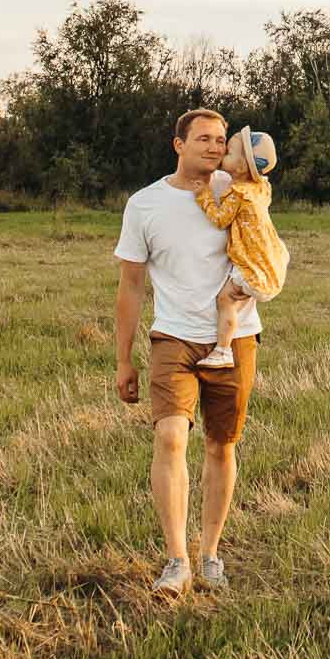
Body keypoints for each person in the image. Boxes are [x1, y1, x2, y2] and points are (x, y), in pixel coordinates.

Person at [113, 108, 266, 596]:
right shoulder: (145, 204)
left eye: (221, 139)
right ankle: (177, 560)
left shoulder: (238, 193)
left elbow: (263, 249)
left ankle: (211, 554)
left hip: (235, 338)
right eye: (203, 138)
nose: (215, 147)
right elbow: (131, 284)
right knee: (171, 439)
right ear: (178, 145)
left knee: (222, 446)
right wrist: (123, 358)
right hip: (173, 337)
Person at [194, 126, 288, 369]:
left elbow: (220, 219)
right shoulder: (260, 188)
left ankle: (223, 349)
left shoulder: (237, 193)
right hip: (267, 256)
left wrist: (204, 195)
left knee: (225, 300)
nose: (223, 151)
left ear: (242, 167)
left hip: (250, 263)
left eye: (230, 151)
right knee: (233, 299)